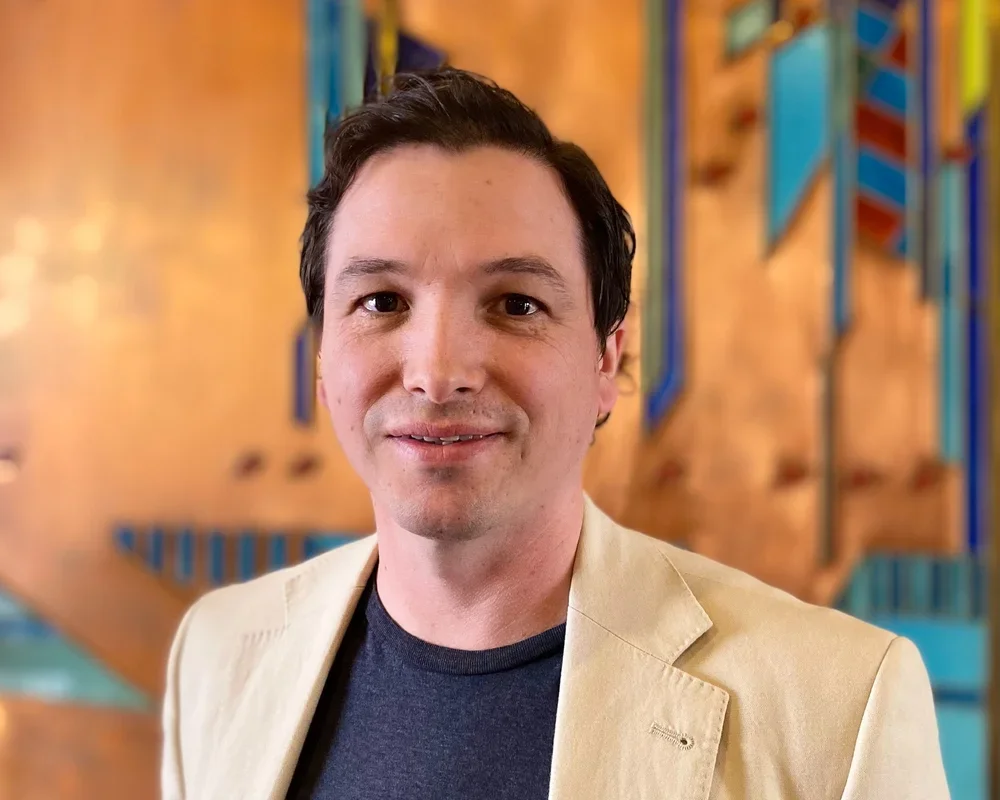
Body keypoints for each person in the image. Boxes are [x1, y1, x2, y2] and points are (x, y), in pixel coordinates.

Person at [161, 68, 950, 800]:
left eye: (515, 304)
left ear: (609, 356)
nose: (438, 372)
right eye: (381, 301)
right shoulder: (219, 652)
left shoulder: (842, 707)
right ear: (323, 353)